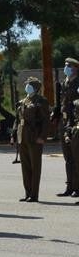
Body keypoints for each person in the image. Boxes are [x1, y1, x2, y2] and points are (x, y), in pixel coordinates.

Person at [16, 76, 48, 202]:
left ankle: (34, 194)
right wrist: (14, 135)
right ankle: (27, 192)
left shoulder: (41, 100)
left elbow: (46, 121)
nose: (27, 87)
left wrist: (42, 137)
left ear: (35, 87)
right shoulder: (24, 101)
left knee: (35, 166)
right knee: (25, 166)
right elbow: (18, 119)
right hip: (23, 136)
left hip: (34, 136)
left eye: (29, 85)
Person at [53, 57, 79, 197]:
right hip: (64, 122)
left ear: (76, 68)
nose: (66, 68)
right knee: (68, 157)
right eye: (65, 65)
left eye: (69, 66)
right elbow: (61, 103)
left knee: (76, 156)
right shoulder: (64, 82)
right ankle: (70, 186)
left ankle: (77, 187)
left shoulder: (78, 83)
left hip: (75, 122)